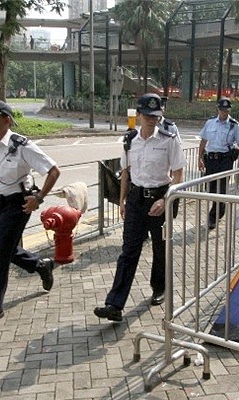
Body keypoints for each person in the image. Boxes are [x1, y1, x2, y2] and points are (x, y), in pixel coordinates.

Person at [0, 99, 61, 328]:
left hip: (18, 206)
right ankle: (40, 265)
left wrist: (38, 198)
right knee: (6, 249)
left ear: (7, 120)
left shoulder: (21, 145)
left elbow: (54, 171)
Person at [94, 93, 187, 321]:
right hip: (136, 201)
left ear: (160, 115)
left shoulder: (169, 139)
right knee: (129, 252)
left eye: (155, 116)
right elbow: (126, 172)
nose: (151, 120)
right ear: (138, 114)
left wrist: (165, 200)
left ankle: (159, 287)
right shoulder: (129, 141)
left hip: (160, 200)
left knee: (159, 247)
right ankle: (114, 304)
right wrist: (123, 201)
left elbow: (178, 175)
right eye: (147, 115)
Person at [198, 97, 239, 230]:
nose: (224, 112)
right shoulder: (210, 122)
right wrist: (199, 158)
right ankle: (220, 208)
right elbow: (203, 141)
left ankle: (213, 216)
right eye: (222, 110)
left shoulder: (234, 125)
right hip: (211, 160)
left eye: (226, 110)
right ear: (218, 109)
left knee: (220, 190)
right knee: (210, 188)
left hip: (225, 161)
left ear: (229, 110)